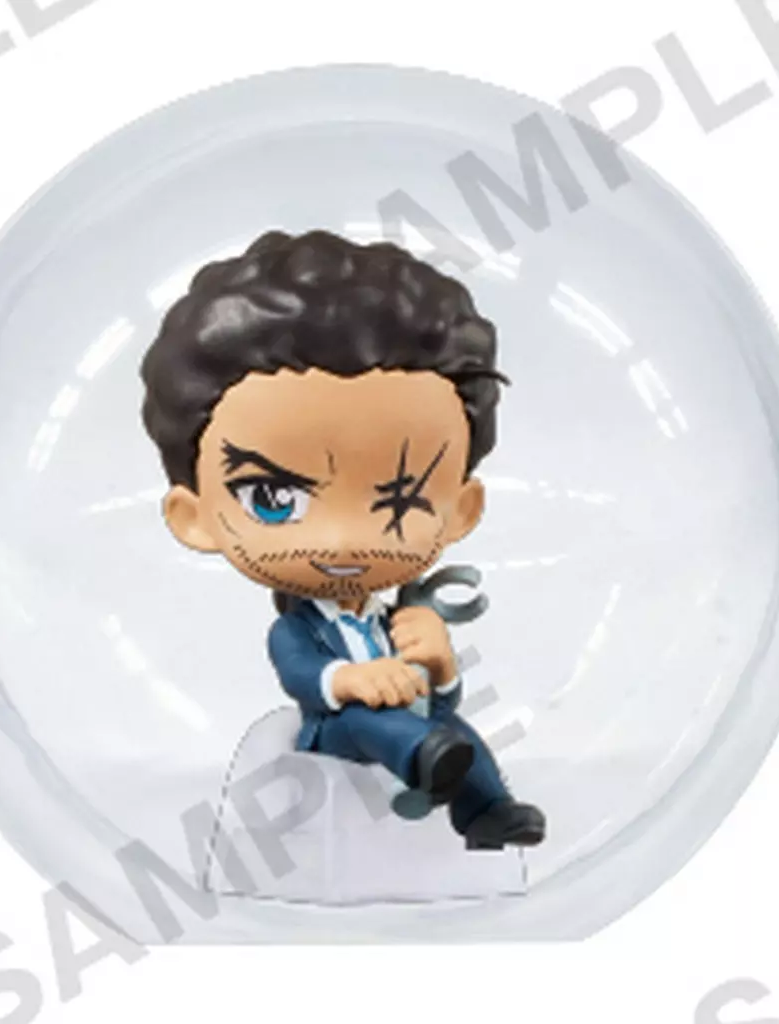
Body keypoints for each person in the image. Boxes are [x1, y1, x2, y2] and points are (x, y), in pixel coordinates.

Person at [140, 229, 545, 850]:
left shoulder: (395, 614)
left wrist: (439, 665)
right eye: (273, 498)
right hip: (335, 731)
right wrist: (350, 681)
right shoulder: (297, 629)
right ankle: (423, 761)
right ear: (194, 517)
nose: (341, 537)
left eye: (404, 499)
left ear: (461, 510)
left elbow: (439, 696)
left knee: (457, 731)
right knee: (368, 722)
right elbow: (303, 674)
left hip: (417, 718)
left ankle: (487, 811)